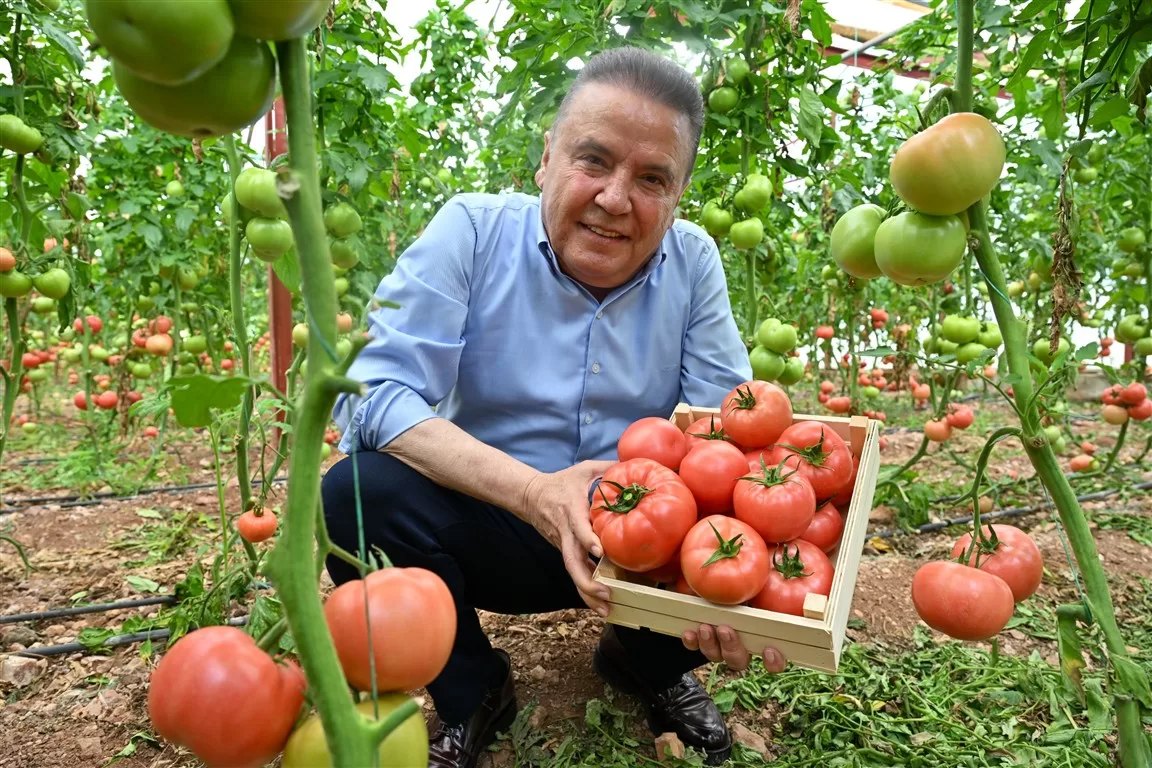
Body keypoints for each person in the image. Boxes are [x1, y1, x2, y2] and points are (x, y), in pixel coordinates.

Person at [321, 45, 786, 768]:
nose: (614, 198)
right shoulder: (471, 232)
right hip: (494, 520)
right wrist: (538, 493)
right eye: (593, 161)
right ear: (546, 158)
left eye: (652, 178)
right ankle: (473, 688)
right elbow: (373, 397)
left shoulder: (693, 263)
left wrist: (733, 582)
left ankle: (648, 664)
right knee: (356, 494)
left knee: (717, 510)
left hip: (640, 546)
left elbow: (721, 430)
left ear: (679, 194)